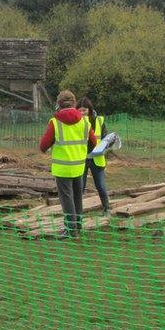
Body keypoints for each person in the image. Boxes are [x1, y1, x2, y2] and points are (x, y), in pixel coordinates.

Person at [39, 90, 98, 238]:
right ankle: (78, 226)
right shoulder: (85, 121)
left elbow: (43, 146)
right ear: (74, 103)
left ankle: (71, 230)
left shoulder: (55, 122)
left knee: (67, 198)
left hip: (62, 168)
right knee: (77, 196)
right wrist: (82, 151)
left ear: (58, 104)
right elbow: (93, 143)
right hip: (79, 165)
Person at [77, 97, 111, 216]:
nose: (82, 113)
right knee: (80, 187)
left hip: (97, 158)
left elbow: (106, 138)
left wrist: (105, 147)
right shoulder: (76, 122)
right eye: (79, 110)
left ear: (89, 110)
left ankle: (106, 209)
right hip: (81, 158)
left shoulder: (99, 121)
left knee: (101, 186)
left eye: (84, 110)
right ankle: (78, 212)